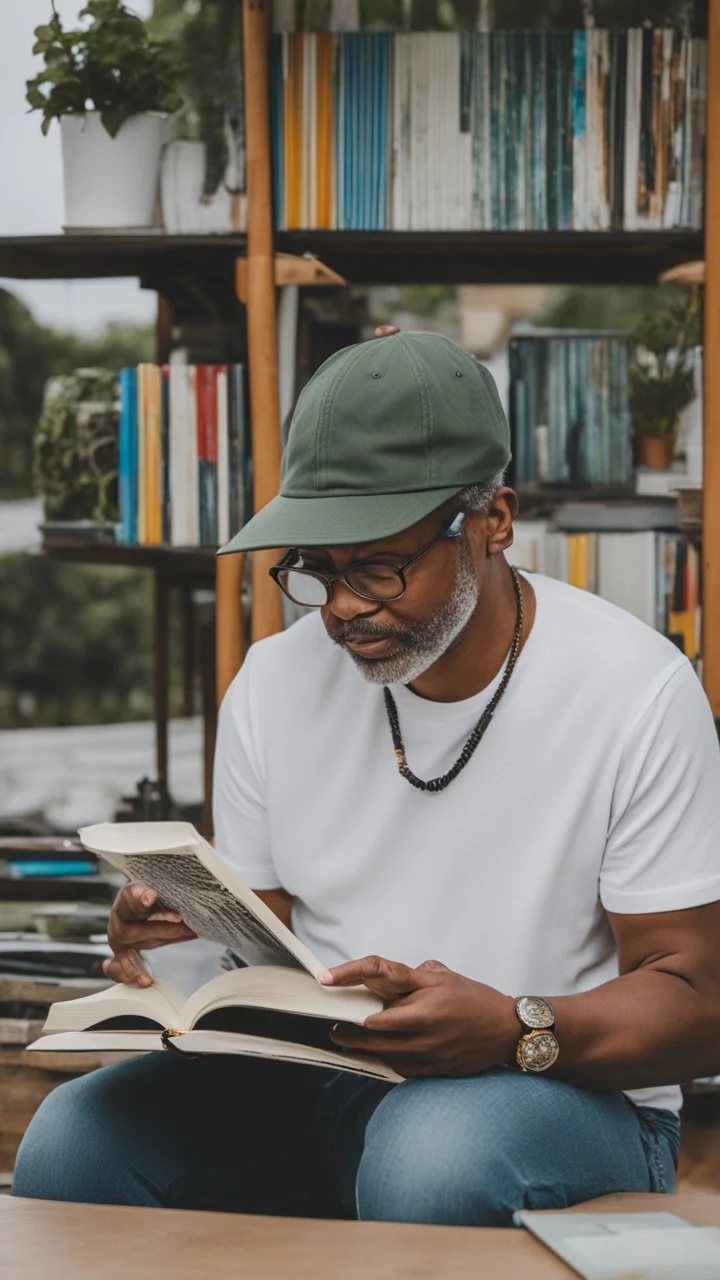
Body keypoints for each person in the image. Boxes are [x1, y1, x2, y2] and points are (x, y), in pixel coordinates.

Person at [14, 331, 720, 1226]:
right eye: (316, 568)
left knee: (431, 1155)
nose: (344, 607)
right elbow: (260, 958)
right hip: (318, 1081)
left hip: (562, 1090)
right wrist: (177, 935)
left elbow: (697, 1002)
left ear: (493, 520)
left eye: (380, 564)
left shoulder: (637, 690)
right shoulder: (273, 685)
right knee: (79, 1138)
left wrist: (512, 1025)